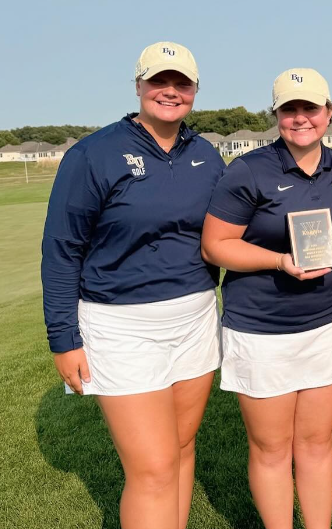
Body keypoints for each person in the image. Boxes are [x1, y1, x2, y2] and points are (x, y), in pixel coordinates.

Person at [41, 42, 224, 529]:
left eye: (181, 82)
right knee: (153, 469)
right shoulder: (92, 154)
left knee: (183, 452)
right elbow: (62, 250)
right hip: (120, 326)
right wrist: (63, 338)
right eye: (158, 81)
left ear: (195, 90)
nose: (170, 91)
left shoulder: (207, 155)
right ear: (139, 86)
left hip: (197, 319)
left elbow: (229, 232)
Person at [200, 68, 332, 529]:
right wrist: (279, 261)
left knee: (316, 443)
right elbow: (217, 245)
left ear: (329, 113)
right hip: (261, 329)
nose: (300, 118)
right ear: (276, 116)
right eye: (289, 109)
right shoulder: (249, 168)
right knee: (271, 449)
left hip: (326, 323)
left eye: (310, 108)